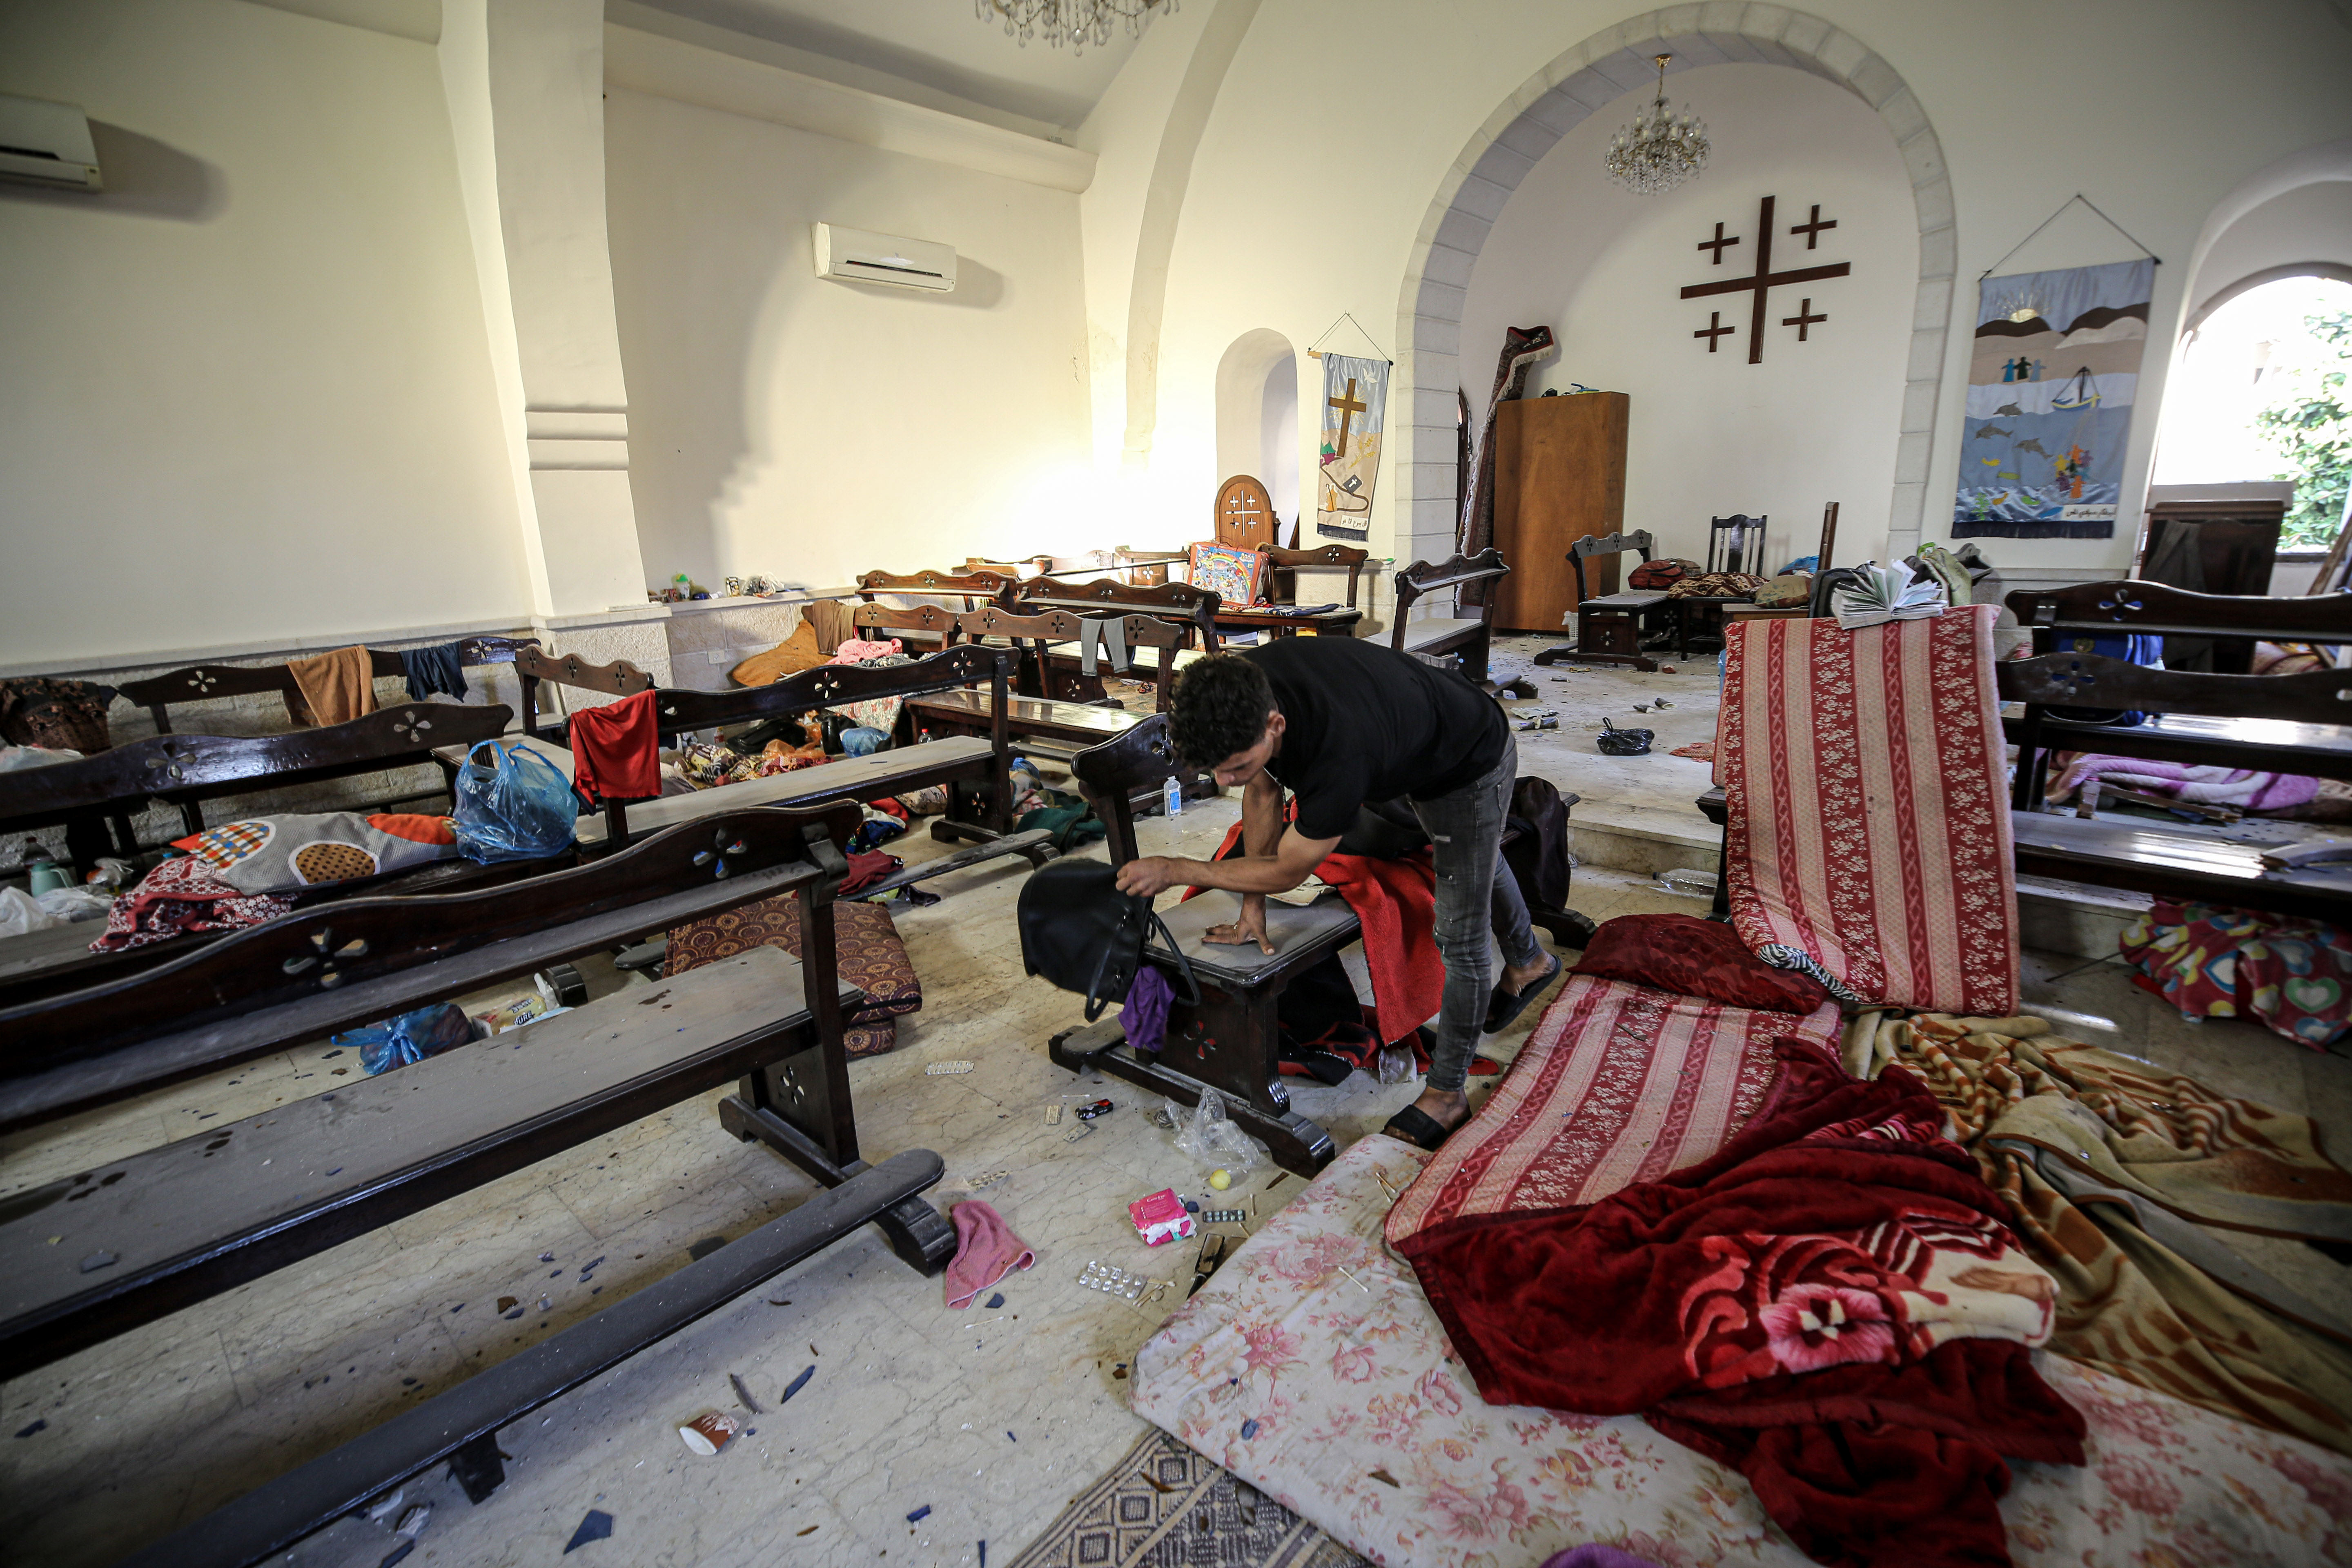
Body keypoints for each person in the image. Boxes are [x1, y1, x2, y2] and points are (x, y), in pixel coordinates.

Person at [1111, 639, 1560, 1149]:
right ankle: (1530, 961)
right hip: (1411, 728)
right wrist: (1252, 912)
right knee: (1472, 853)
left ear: (1276, 725)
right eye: (1216, 769)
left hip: (1469, 760)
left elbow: (1287, 870)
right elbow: (1262, 791)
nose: (1224, 780)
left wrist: (1175, 868)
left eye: (1235, 766)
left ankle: (1447, 1094)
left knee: (1461, 934)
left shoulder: (1337, 755)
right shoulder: (1239, 688)